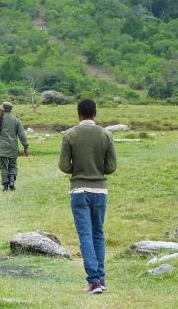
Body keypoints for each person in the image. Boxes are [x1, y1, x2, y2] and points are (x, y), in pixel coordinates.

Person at [58, 99, 117, 294]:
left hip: (79, 190)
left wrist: (79, 169)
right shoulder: (106, 135)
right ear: (95, 113)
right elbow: (111, 167)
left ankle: (92, 282)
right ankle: (101, 278)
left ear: (79, 114)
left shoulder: (70, 135)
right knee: (98, 233)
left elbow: (64, 166)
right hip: (100, 190)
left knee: (85, 235)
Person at [0, 102, 28, 191]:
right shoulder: (16, 120)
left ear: (2, 109)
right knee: (13, 165)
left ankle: (5, 185)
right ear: (11, 109)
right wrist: (25, 147)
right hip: (12, 147)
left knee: (3, 167)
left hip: (0, 148)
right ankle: (11, 181)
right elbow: (22, 136)